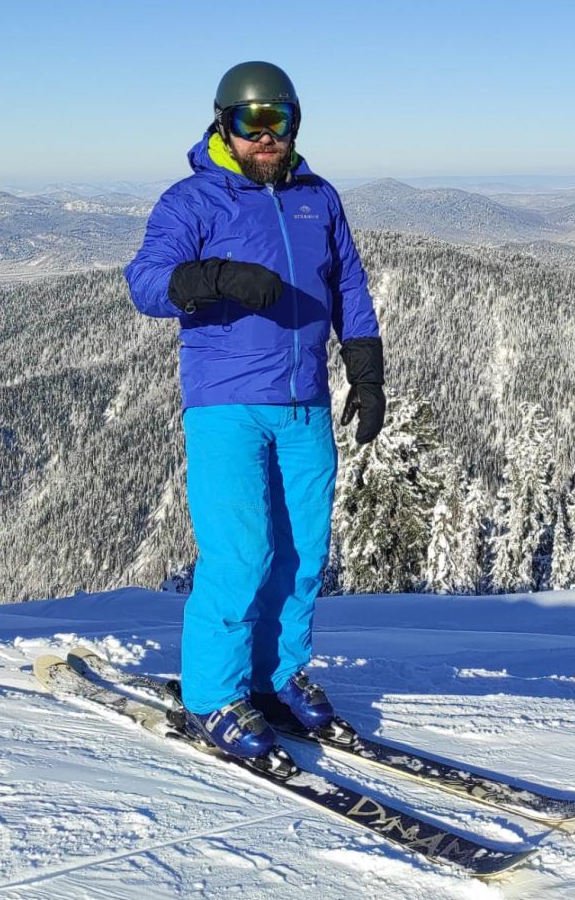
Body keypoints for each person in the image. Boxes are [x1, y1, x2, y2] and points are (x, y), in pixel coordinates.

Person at [123, 60, 385, 762]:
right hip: (226, 404)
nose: (266, 137)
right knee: (241, 555)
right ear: (223, 123)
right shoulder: (192, 201)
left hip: (304, 404)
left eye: (279, 122)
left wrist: (364, 368)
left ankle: (273, 678)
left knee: (301, 556)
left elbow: (348, 283)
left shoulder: (317, 196)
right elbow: (144, 283)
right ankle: (213, 693)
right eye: (251, 122)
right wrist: (213, 279)